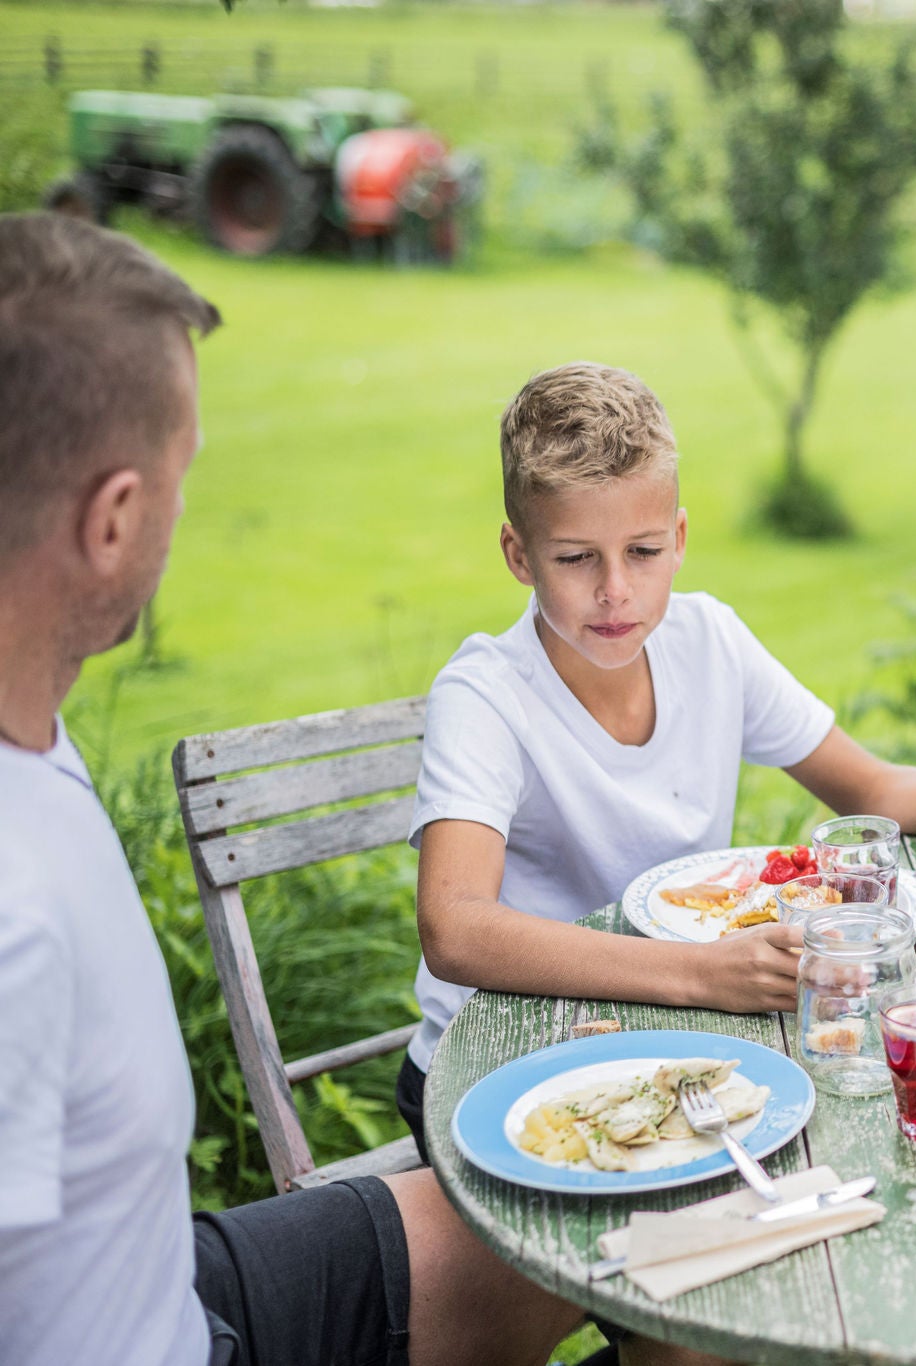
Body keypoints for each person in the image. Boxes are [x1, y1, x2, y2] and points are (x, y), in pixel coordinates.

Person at [0, 213, 650, 1365]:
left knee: (660, 1242)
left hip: (181, 1279)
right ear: (112, 519)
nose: (186, 508)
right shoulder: (15, 909)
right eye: (181, 475)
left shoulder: (34, 739)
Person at [395, 362, 916, 1153]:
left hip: (665, 1042)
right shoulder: (486, 695)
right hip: (496, 1065)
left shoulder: (709, 641)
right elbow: (454, 929)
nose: (616, 591)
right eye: (577, 559)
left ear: (680, 539)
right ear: (519, 554)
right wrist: (703, 974)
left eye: (644, 551)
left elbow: (871, 787)